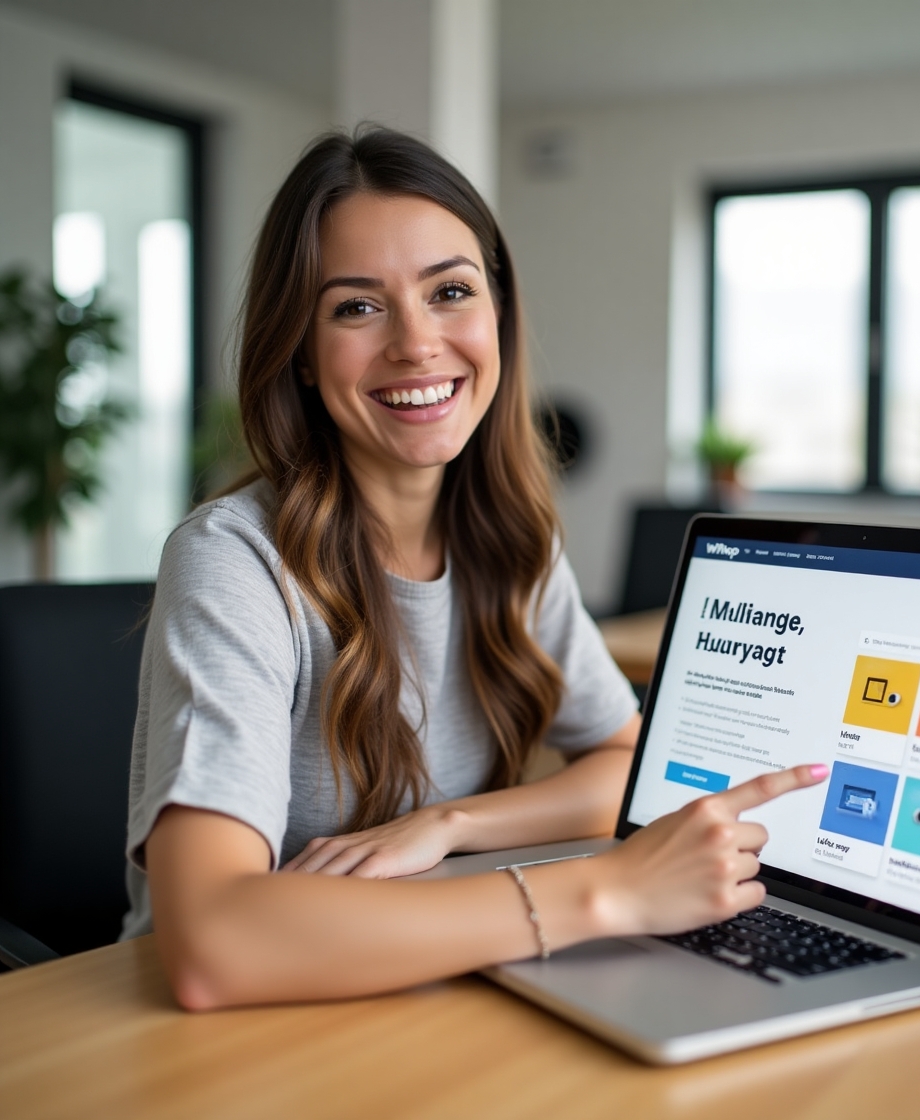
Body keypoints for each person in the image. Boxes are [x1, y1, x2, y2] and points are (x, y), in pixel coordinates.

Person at [124, 127, 827, 1009]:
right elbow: (212, 945)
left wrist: (451, 823)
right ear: (300, 351)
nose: (417, 344)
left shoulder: (510, 539)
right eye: (356, 307)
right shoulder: (235, 562)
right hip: (221, 1042)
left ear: (498, 314)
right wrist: (601, 896)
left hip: (425, 998)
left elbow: (627, 760)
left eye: (450, 291)